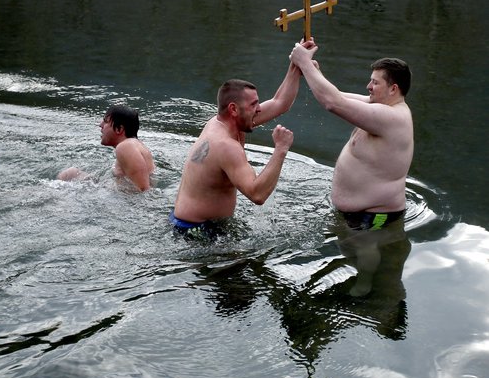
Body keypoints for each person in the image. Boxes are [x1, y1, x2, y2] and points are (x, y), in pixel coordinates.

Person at [171, 51, 307, 236]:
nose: (259, 109)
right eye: (253, 105)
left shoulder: (222, 123)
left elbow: (279, 103)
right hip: (197, 232)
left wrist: (296, 65)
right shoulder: (226, 146)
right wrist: (281, 149)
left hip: (193, 222)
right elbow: (257, 195)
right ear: (233, 109)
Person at [289, 39, 413, 229]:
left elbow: (333, 103)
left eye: (375, 82)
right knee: (353, 254)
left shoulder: (393, 117)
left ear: (393, 89)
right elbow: (336, 95)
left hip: (376, 217)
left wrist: (305, 63)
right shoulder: (378, 106)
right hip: (362, 213)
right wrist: (311, 70)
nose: (368, 86)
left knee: (364, 258)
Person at [58, 105, 155, 191]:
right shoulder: (134, 145)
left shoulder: (126, 147)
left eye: (105, 121)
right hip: (114, 192)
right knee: (71, 173)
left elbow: (144, 190)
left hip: (118, 201)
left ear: (119, 129)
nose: (100, 125)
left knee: (68, 176)